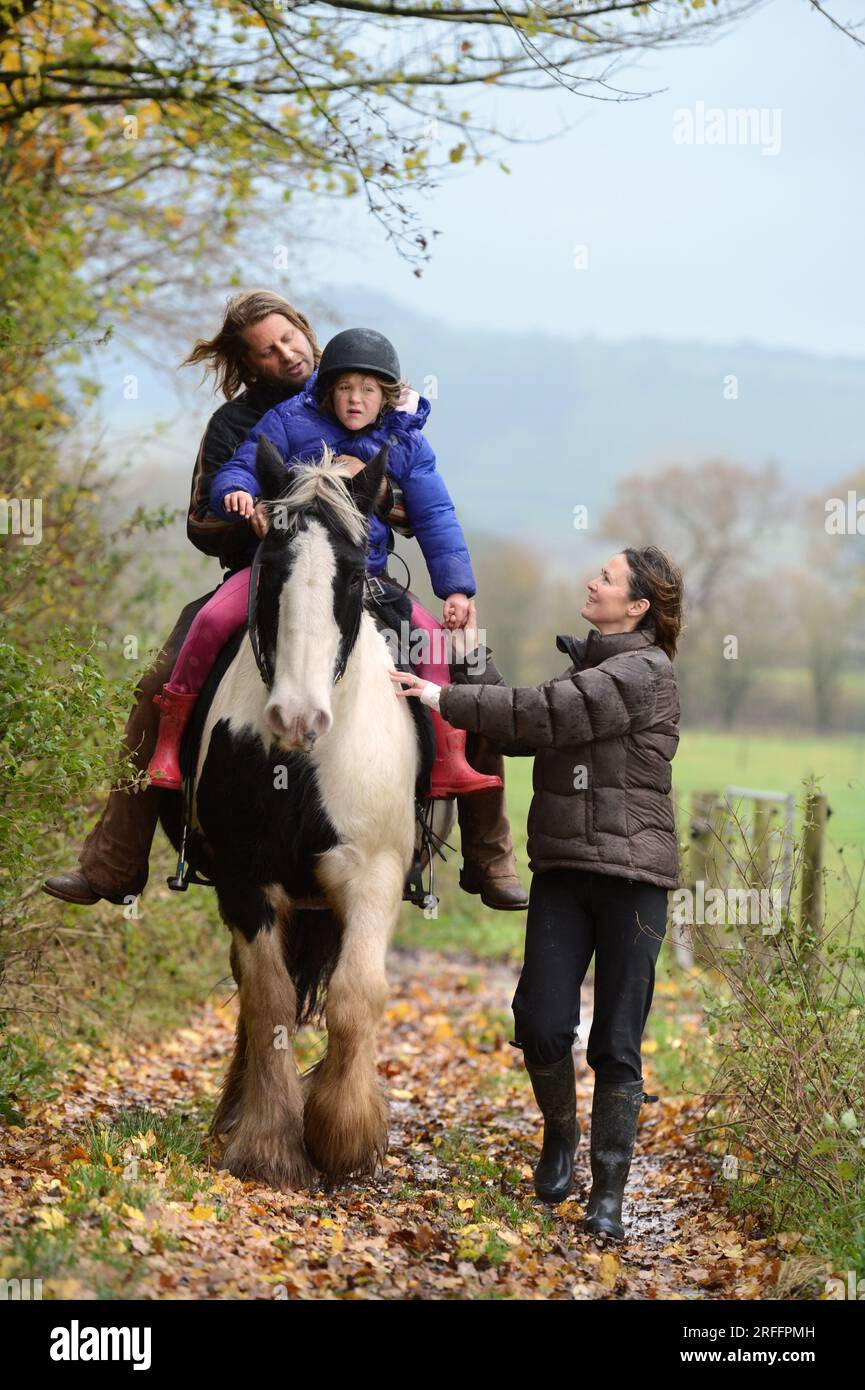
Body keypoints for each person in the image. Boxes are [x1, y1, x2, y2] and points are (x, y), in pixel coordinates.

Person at [42, 297, 526, 909]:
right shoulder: (244, 423)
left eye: (291, 337)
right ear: (247, 363)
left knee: (471, 669)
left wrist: (436, 565)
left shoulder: (384, 411)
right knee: (163, 672)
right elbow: (204, 517)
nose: (287, 353)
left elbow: (431, 510)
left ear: (307, 331)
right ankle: (115, 858)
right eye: (268, 350)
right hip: (263, 572)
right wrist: (251, 511)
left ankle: (488, 851)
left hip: (357, 575)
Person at [390, 546, 683, 1239]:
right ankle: (560, 1137)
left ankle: (607, 1192)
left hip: (633, 884)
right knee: (540, 1023)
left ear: (637, 606)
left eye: (606, 578)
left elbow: (545, 713)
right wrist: (466, 650)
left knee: (615, 1043)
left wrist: (437, 696)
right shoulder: (593, 667)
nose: (590, 581)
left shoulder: (644, 672)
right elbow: (517, 723)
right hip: (562, 872)